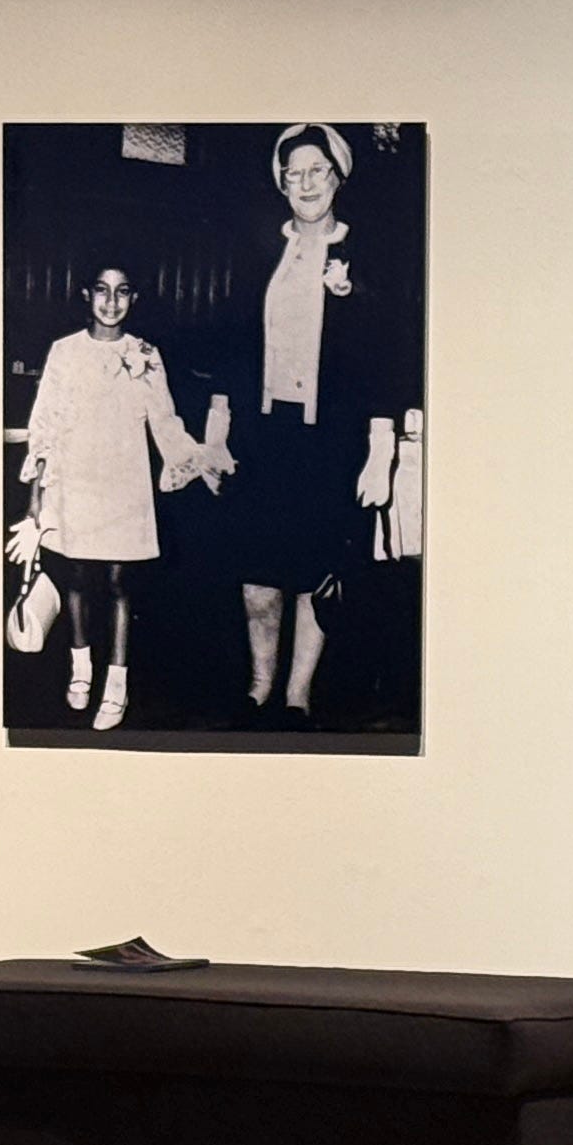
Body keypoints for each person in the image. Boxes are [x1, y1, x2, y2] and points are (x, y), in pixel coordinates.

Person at [219, 124, 413, 725]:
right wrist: (218, 430)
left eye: (316, 171)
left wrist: (380, 448)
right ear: (281, 184)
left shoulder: (369, 255)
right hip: (264, 434)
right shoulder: (259, 254)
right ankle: (259, 685)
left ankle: (297, 695)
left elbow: (384, 358)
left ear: (337, 177)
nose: (305, 183)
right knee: (257, 573)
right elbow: (233, 346)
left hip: (331, 441)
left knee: (315, 570)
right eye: (293, 174)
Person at [9, 266, 204, 731]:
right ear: (86, 294)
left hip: (125, 484)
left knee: (119, 582)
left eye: (122, 292)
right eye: (102, 290)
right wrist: (36, 498)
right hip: (74, 482)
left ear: (133, 298)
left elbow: (165, 420)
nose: (111, 302)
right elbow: (44, 426)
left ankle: (117, 683)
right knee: (76, 576)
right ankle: (81, 669)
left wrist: (197, 459)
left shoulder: (146, 355)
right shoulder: (64, 352)